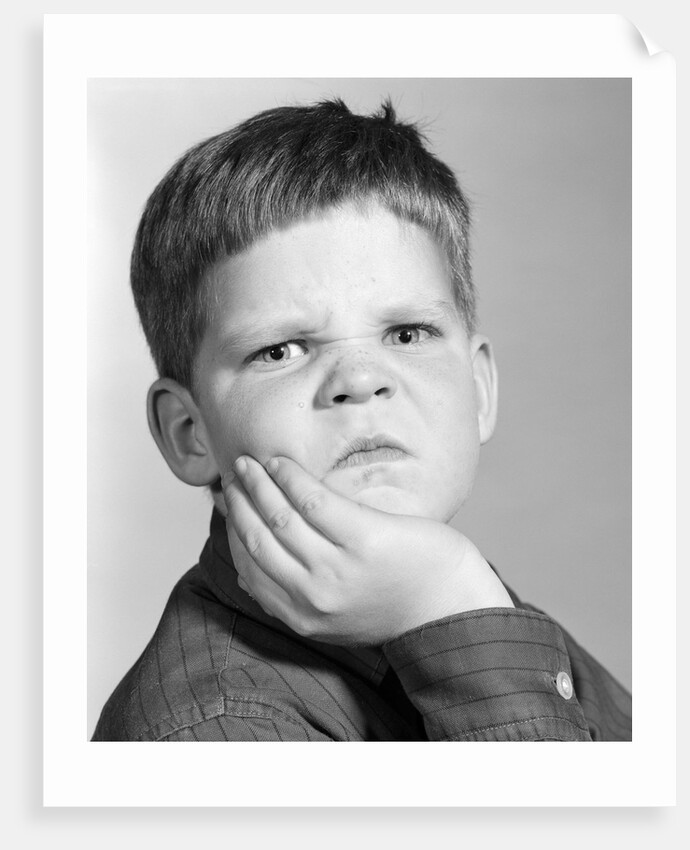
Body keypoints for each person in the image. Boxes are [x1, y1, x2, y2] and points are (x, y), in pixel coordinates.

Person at [92, 98, 632, 742]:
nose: (360, 379)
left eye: (407, 333)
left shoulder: (460, 594)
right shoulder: (220, 733)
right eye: (281, 350)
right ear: (189, 433)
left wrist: (452, 599)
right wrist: (449, 600)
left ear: (480, 388)